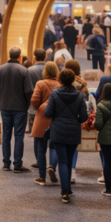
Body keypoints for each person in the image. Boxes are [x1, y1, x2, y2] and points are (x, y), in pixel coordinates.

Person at [44, 68, 88, 203]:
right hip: (74, 131)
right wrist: (75, 120)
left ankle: (64, 191)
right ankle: (67, 188)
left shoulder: (55, 94)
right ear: (73, 80)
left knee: (62, 161)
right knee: (68, 161)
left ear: (60, 79)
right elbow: (84, 117)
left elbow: (48, 113)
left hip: (58, 130)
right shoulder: (80, 96)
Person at [0, 46, 33, 173]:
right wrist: (27, 105)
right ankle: (17, 164)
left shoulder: (0, 69)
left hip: (5, 107)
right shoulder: (24, 70)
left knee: (6, 135)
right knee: (19, 136)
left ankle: (6, 163)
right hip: (20, 108)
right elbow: (29, 91)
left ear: (9, 55)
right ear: (20, 56)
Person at [30, 61, 61, 185]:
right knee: (54, 146)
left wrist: (40, 107)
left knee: (41, 149)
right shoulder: (60, 85)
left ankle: (42, 178)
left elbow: (34, 100)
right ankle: (52, 167)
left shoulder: (41, 83)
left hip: (42, 118)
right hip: (56, 119)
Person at [25, 48, 47, 166]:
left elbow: (28, 89)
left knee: (36, 135)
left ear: (34, 57)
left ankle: (39, 160)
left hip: (34, 106)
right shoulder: (49, 69)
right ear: (45, 57)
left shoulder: (29, 70)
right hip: (49, 106)